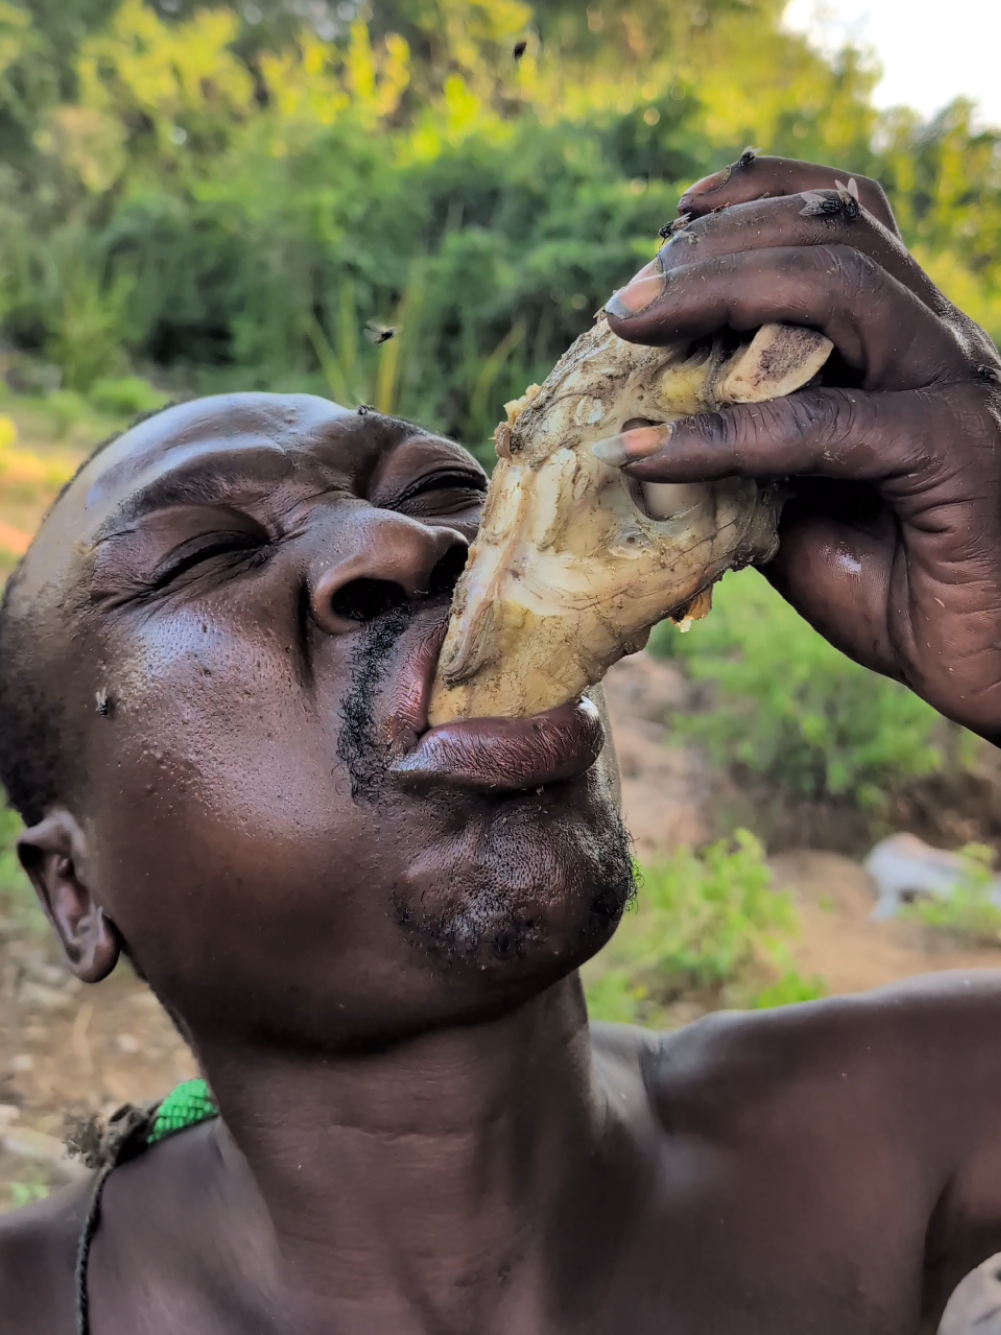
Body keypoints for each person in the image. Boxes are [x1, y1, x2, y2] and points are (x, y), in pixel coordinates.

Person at [0, 153, 1000, 1335]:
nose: (407, 545)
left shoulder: (901, 1123)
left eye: (445, 490)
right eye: (199, 555)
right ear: (75, 890)